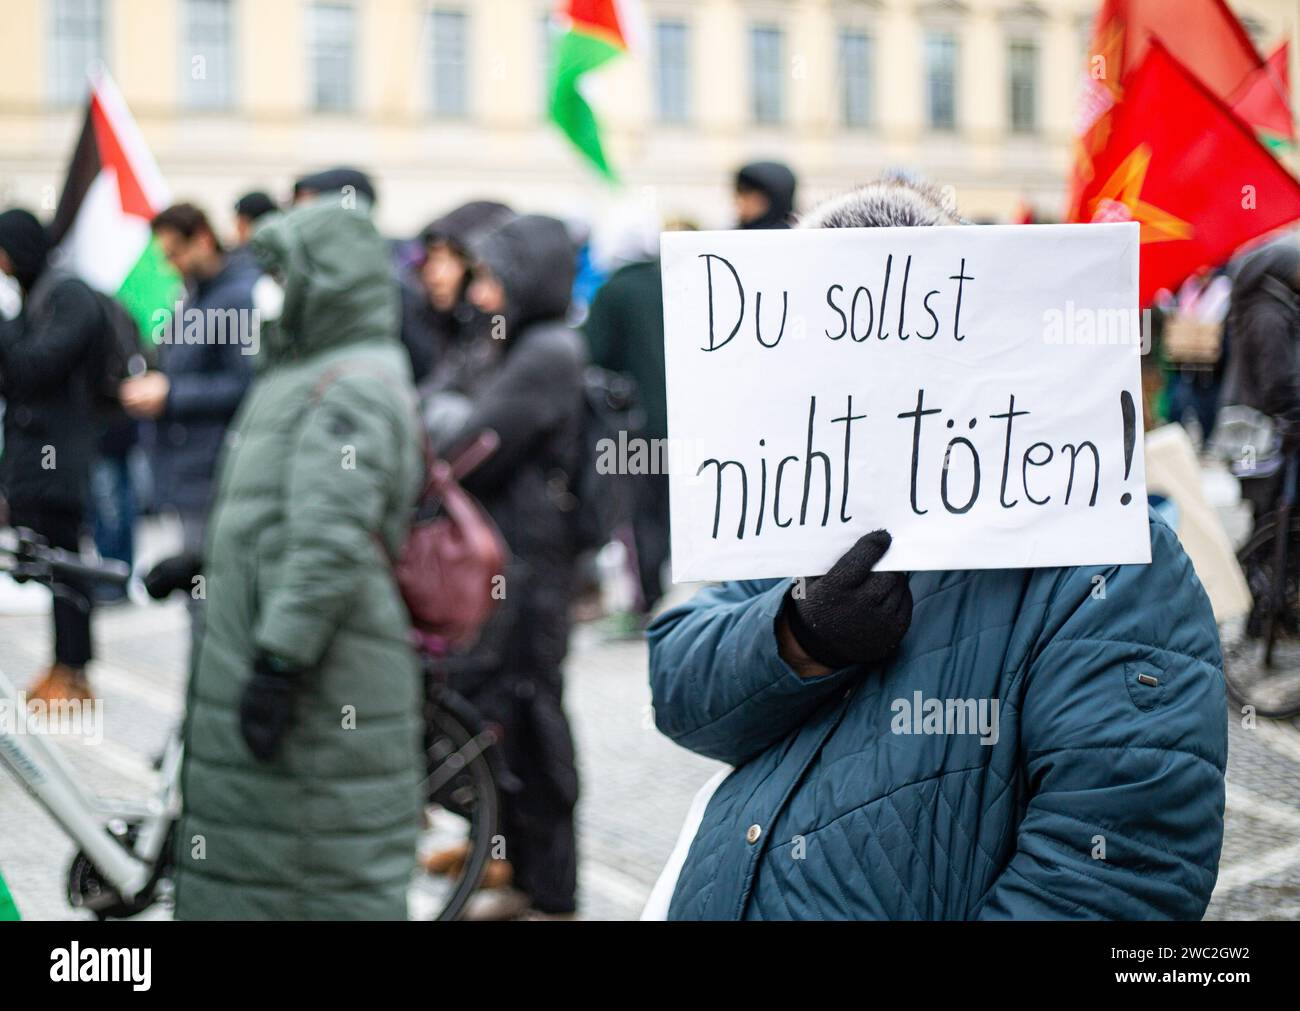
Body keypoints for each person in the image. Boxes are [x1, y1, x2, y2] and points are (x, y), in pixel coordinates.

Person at [648, 177, 1227, 921]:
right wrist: (800, 635)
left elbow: (1113, 878)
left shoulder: (1109, 559)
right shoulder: (801, 503)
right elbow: (677, 681)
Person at [172, 187, 425, 919]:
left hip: (323, 677)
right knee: (259, 871)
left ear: (329, 279)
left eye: (284, 274)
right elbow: (276, 514)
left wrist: (280, 660)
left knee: (311, 876)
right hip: (282, 653)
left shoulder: (354, 382)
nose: (268, 292)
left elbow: (328, 538)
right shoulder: (297, 370)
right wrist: (207, 564)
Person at [426, 213, 587, 920]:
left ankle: (551, 887)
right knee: (500, 712)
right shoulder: (515, 341)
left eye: (492, 276)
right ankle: (510, 860)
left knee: (530, 715)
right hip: (509, 563)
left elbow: (468, 445)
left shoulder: (547, 350)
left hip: (533, 570)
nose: (479, 291)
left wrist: (445, 420)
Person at [0, 208, 104, 704]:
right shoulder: (36, 295)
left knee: (67, 565)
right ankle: (64, 664)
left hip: (58, 457)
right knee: (51, 564)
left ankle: (75, 671)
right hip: (35, 457)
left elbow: (33, 369)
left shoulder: (67, 294)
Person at [122, 203, 257, 576]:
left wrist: (171, 394)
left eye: (175, 253)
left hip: (216, 470)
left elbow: (245, 385)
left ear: (202, 239)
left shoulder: (238, 297)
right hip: (188, 468)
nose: (171, 264)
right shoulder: (193, 295)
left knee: (210, 587)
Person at [584, 216, 670, 620]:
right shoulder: (675, 283)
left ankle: (646, 600)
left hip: (634, 428)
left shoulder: (614, 291)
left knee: (639, 515)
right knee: (670, 511)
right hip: (684, 423)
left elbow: (594, 353)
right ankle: (666, 592)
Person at [402, 200, 513, 385]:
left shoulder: (499, 338)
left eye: (448, 261)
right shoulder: (436, 324)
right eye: (431, 259)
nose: (433, 275)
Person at [733, 160, 797, 230]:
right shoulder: (733, 234)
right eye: (739, 192)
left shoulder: (792, 236)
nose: (739, 200)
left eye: (746, 192)